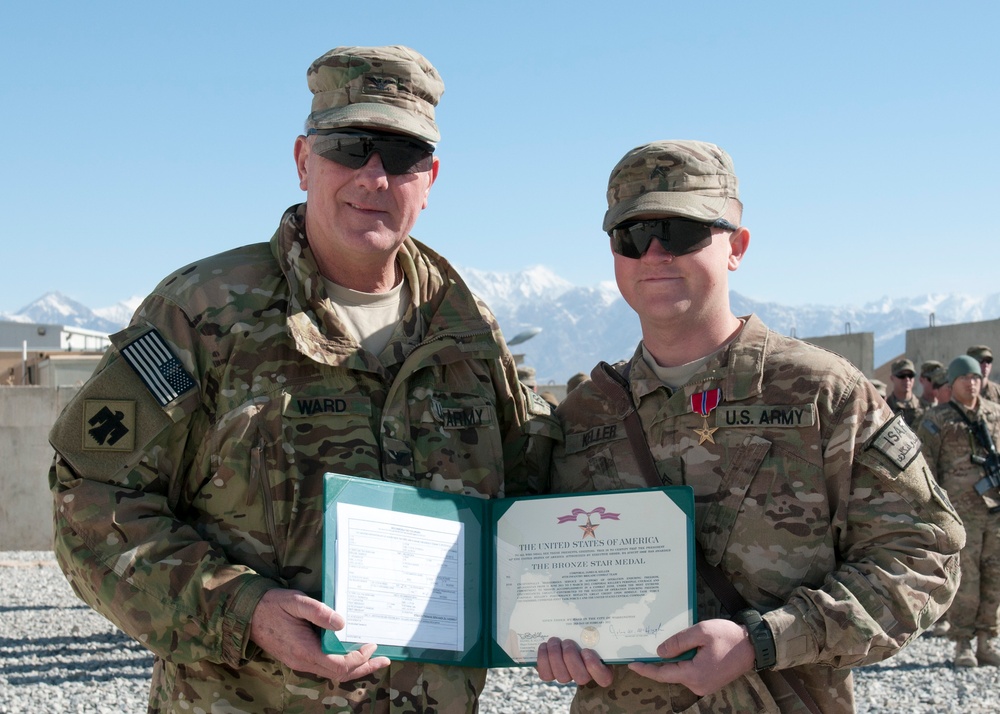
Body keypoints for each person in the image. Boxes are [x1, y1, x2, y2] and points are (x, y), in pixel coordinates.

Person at [47, 45, 558, 714]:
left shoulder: (464, 331)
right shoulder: (205, 310)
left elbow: (530, 494)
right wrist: (242, 608)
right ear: (302, 161)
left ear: (430, 180)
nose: (375, 177)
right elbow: (88, 499)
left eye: (401, 157)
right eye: (350, 146)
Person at [535, 140, 963, 712]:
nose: (655, 253)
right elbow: (538, 570)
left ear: (736, 247)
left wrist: (764, 640)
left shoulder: (821, 395)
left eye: (682, 232)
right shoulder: (586, 415)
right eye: (632, 236)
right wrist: (550, 636)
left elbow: (924, 557)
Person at [918, 355, 1000, 667]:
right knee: (965, 579)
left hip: (994, 512)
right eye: (965, 378)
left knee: (994, 576)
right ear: (952, 384)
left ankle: (986, 640)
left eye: (977, 377)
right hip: (958, 515)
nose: (972, 382)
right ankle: (962, 643)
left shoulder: (994, 415)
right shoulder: (936, 420)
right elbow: (923, 468)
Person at [886, 358, 924, 427]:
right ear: (892, 378)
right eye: (901, 376)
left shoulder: (924, 406)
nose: (907, 379)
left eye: (910, 375)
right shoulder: (885, 407)